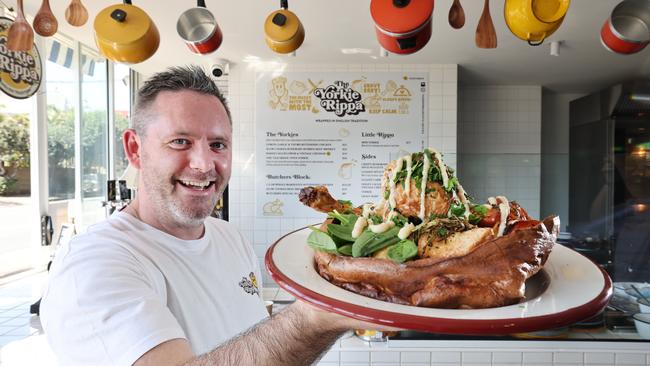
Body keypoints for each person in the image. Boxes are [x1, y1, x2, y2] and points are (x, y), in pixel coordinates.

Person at [40, 65, 390, 366]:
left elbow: (247, 336)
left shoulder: (229, 237)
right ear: (135, 149)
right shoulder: (95, 263)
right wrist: (315, 317)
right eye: (180, 141)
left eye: (218, 145)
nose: (205, 164)